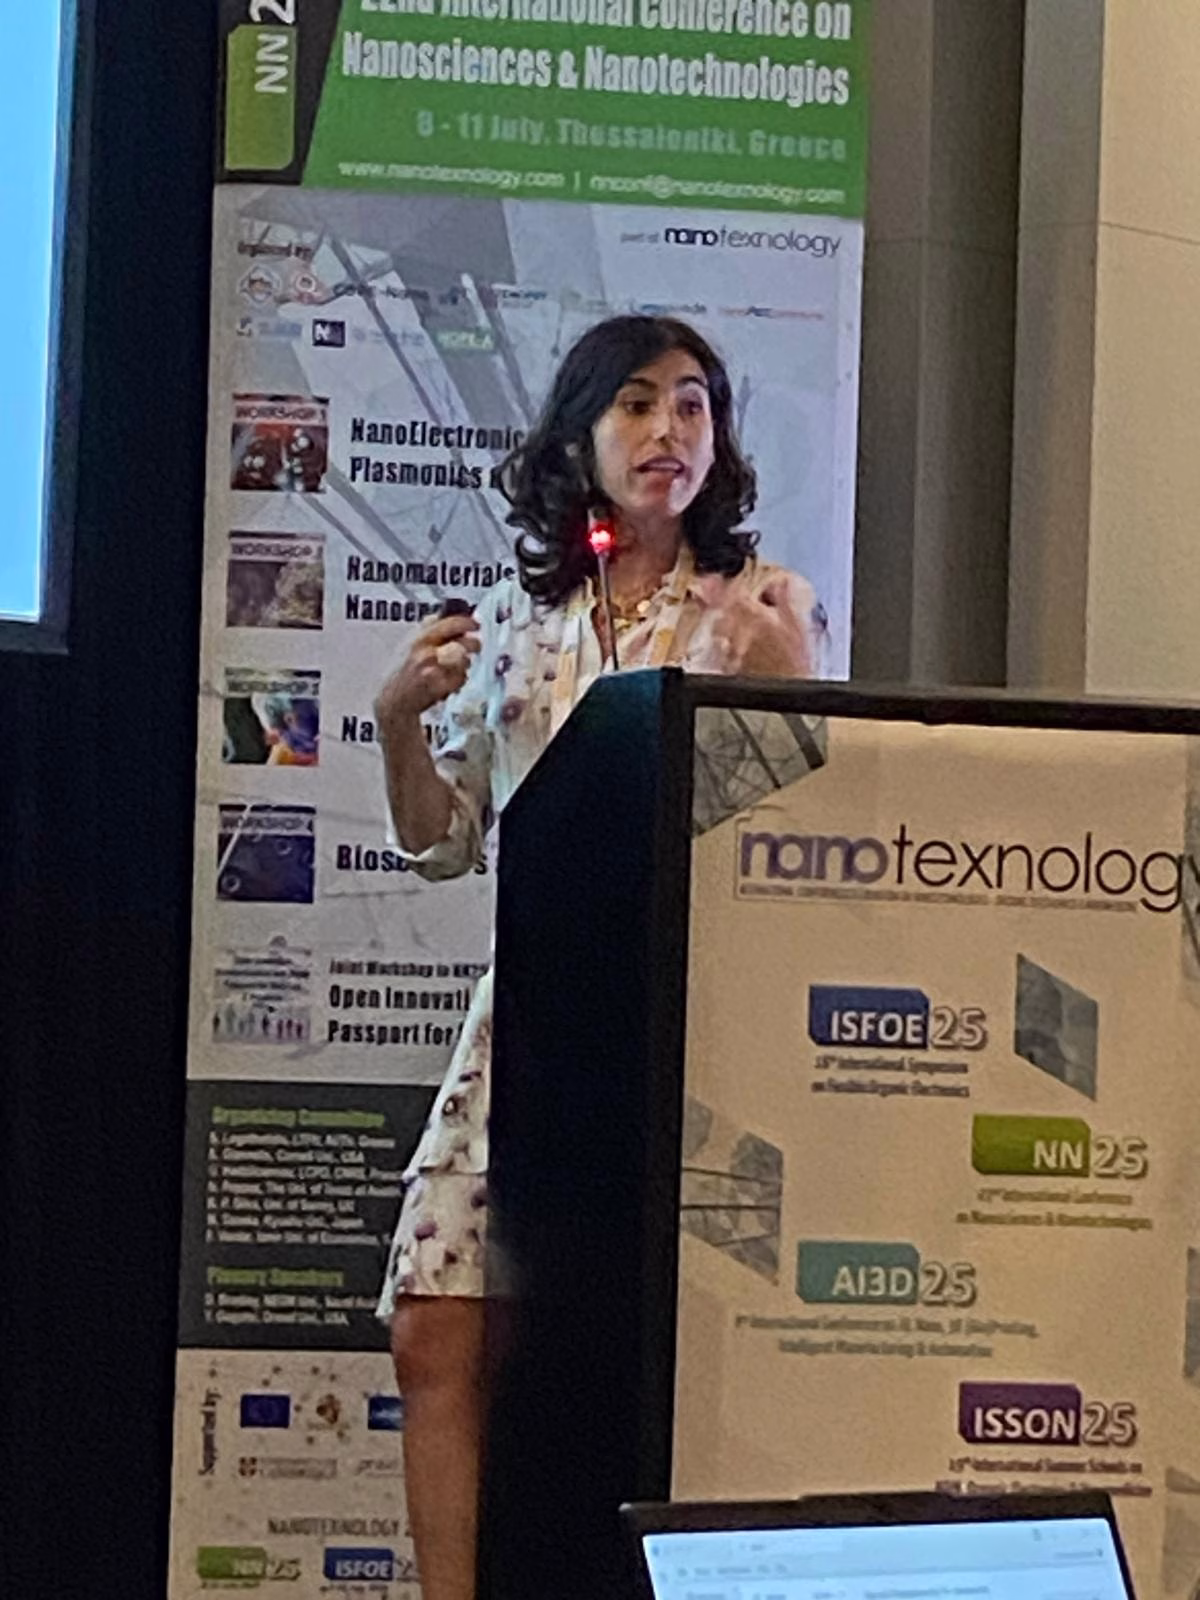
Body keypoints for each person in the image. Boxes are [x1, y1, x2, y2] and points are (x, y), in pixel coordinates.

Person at [373, 314, 825, 1600]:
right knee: (436, 1326)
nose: (667, 430)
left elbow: (806, 830)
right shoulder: (515, 623)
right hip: (529, 1019)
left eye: (693, 404)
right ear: (580, 437)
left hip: (692, 1016)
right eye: (635, 403)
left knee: (667, 1355)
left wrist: (789, 689)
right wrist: (397, 721)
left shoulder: (770, 604)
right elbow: (442, 842)